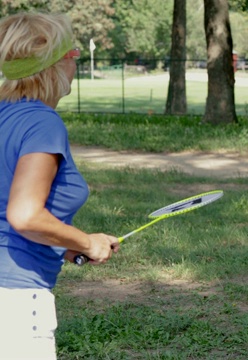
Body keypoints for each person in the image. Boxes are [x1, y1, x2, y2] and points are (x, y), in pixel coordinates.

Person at [0, 12, 120, 359]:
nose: (77, 60)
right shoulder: (42, 122)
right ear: (56, 63)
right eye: (73, 53)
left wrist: (63, 245)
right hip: (16, 299)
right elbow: (23, 215)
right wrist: (88, 242)